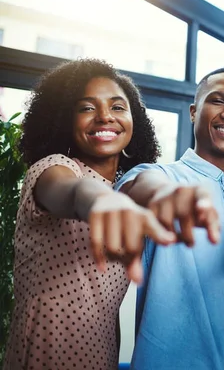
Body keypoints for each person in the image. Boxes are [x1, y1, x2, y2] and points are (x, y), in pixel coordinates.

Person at [3, 58, 175, 370]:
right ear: (64, 118)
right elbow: (74, 192)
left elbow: (109, 305)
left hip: (102, 354)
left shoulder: (128, 189)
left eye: (118, 107)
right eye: (86, 108)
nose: (105, 117)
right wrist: (99, 203)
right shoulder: (54, 168)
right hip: (46, 351)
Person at [115, 67, 224, 369]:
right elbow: (133, 191)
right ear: (194, 112)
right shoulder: (158, 176)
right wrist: (166, 195)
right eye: (218, 101)